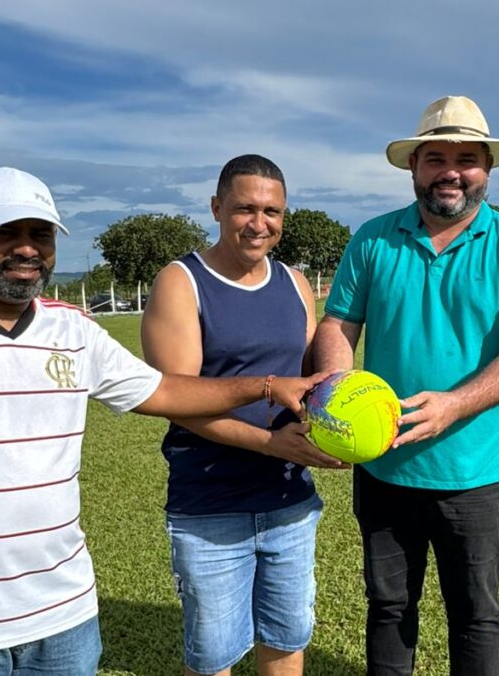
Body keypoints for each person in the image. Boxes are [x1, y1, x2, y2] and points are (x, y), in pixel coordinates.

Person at [0, 166, 324, 676]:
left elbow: (163, 389)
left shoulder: (73, 328)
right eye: (5, 231)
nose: (26, 248)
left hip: (64, 614)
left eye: (41, 233)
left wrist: (268, 386)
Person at [313, 95, 499, 676]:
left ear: (487, 170)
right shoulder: (373, 240)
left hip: (477, 473)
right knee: (389, 606)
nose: (451, 171)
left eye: (467, 158)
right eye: (436, 157)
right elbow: (337, 324)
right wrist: (335, 384)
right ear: (414, 167)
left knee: (475, 614)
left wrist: (454, 405)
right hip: (382, 464)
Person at [142, 154, 345, 676]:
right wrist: (270, 441)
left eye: (272, 211)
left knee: (286, 639)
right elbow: (174, 399)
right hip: (211, 507)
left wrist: (346, 426)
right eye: (244, 209)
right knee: (214, 657)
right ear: (216, 207)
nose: (259, 224)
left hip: (290, 501)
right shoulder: (180, 282)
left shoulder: (296, 284)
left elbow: (310, 391)